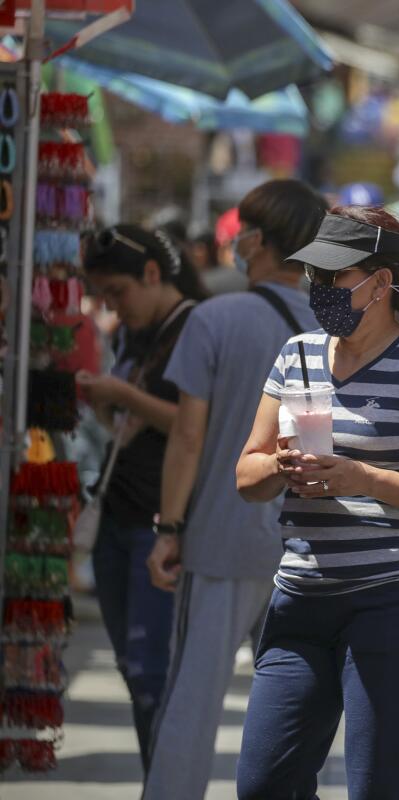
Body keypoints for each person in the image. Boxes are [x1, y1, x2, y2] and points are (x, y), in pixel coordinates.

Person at [233, 205, 399, 800]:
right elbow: (247, 473)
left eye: (335, 276)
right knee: (263, 783)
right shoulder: (296, 354)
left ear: (381, 282)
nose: (319, 289)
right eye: (314, 277)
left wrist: (363, 478)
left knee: (378, 787)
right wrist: (279, 466)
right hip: (300, 597)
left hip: (393, 598)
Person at [141, 179, 327, 799]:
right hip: (308, 544)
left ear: (258, 241)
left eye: (242, 228)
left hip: (221, 536)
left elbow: (188, 440)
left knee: (193, 698)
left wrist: (169, 529)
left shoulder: (213, 319)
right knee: (293, 709)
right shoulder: (334, 327)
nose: (234, 239)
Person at [77, 225, 208, 770]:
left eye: (118, 292)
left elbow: (198, 423)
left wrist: (123, 396)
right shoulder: (135, 332)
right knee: (133, 667)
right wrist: (110, 405)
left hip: (161, 520)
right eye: (102, 296)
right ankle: (158, 779)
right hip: (117, 512)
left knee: (153, 670)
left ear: (153, 274)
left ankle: (165, 781)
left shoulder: (197, 326)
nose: (111, 306)